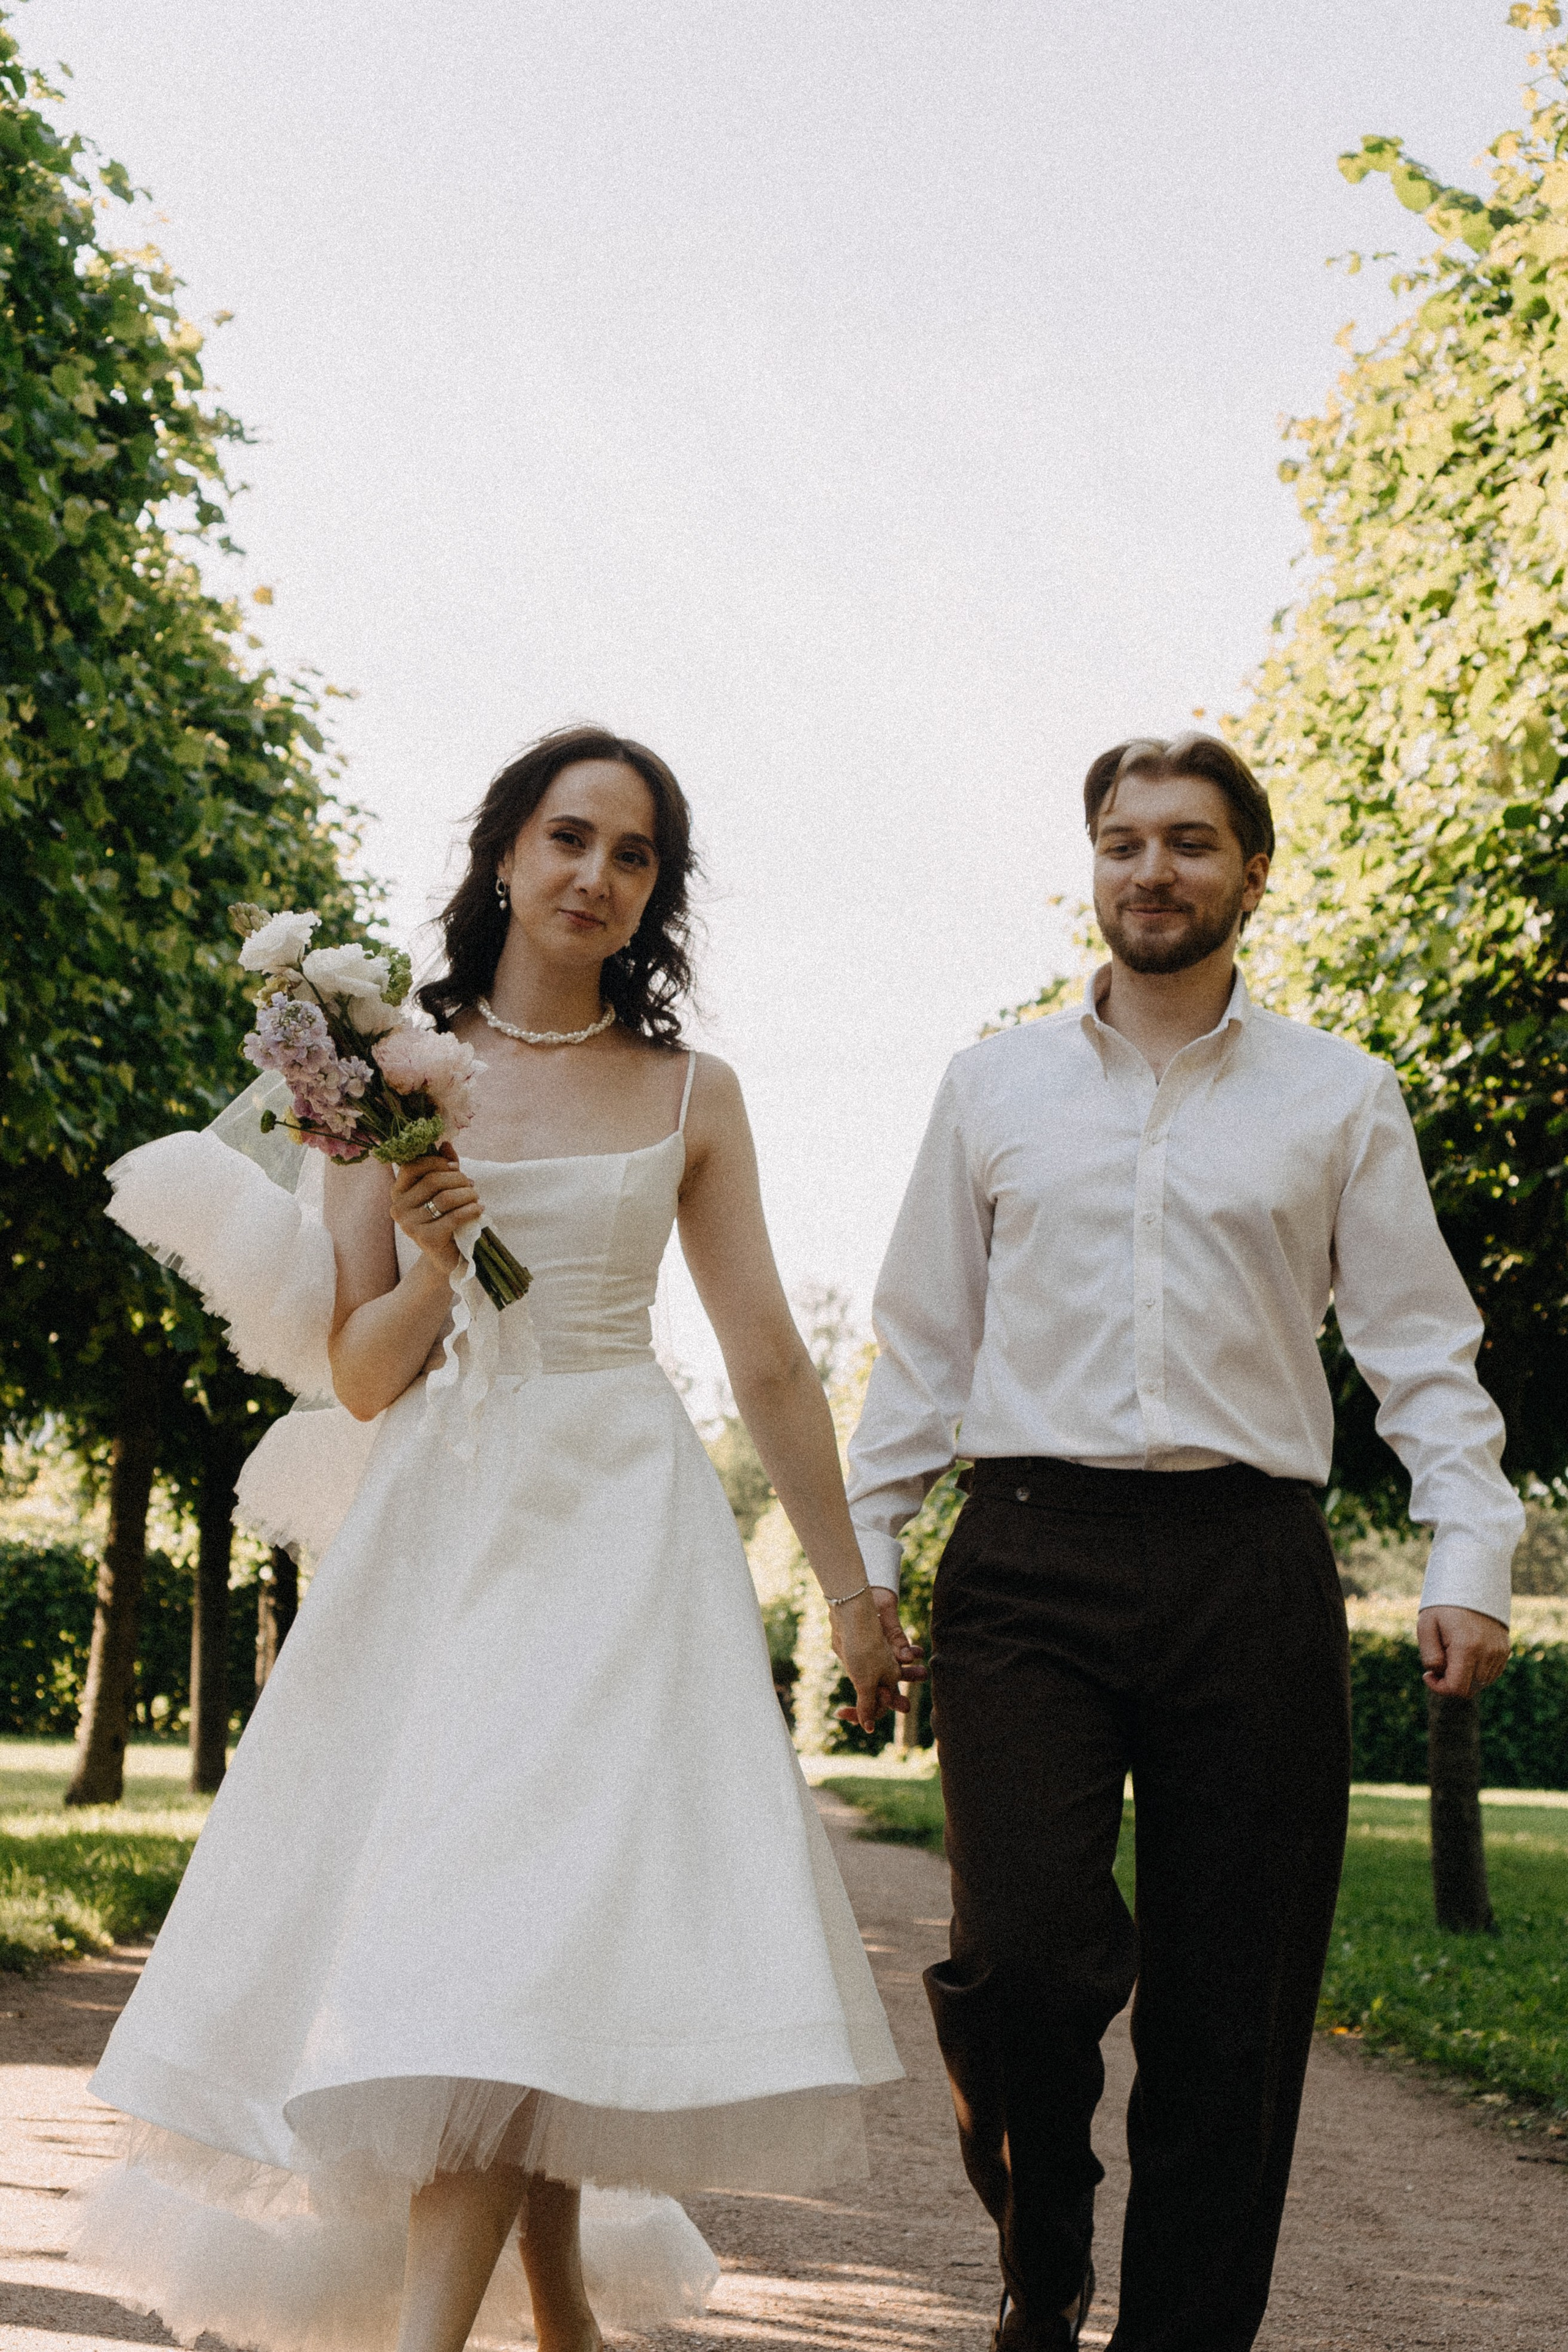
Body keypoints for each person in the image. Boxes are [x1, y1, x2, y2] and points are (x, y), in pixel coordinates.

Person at [77, 725, 906, 2352]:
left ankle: (501, 2334)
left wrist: (854, 1588)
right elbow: (364, 1378)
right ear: (508, 856)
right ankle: (547, 2328)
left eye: (637, 853)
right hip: (447, 1536)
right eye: (571, 838)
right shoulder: (379, 1082)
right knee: (482, 1931)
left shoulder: (693, 1093)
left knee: (530, 1926)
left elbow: (768, 1360)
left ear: (656, 891)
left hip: (620, 1530)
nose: (599, 874)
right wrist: (442, 1266)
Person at [844, 734, 1522, 2352]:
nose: (1153, 869)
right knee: (1019, 1962)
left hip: (1249, 1567)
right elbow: (923, 1345)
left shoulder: (1339, 1097)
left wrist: (1468, 1556)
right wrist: (868, 1565)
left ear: (1252, 873)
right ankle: (1042, 2260)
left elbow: (1424, 1349)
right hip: (1025, 1553)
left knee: (1233, 2015)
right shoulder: (990, 1086)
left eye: (1191, 842)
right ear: (1094, 866)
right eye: (1125, 840)